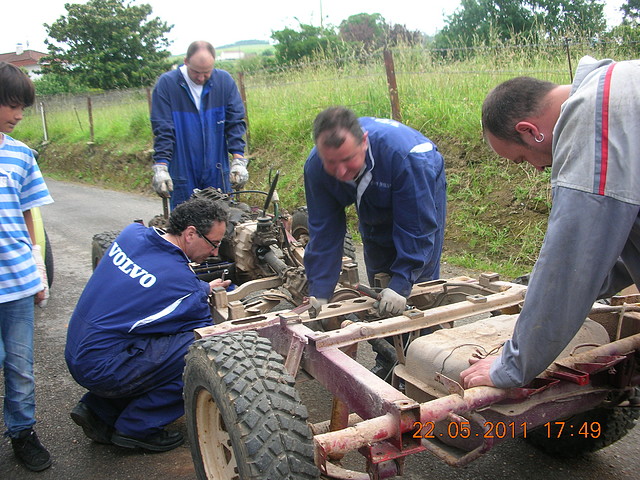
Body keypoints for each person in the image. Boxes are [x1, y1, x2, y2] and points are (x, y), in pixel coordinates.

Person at [460, 56, 640, 390]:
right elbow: (619, 246)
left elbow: (573, 260)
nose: (537, 168)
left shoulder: (595, 115)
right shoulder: (623, 86)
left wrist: (511, 366)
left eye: (522, 159)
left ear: (529, 131)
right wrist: (535, 288)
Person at [65, 197, 231, 452]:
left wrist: (200, 288)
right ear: (190, 234)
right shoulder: (181, 285)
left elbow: (156, 282)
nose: (215, 253)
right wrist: (202, 296)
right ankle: (137, 428)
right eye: (214, 243)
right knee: (203, 350)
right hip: (100, 367)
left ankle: (99, 411)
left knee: (149, 343)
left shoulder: (133, 234)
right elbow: (204, 328)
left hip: (79, 348)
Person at [303, 107, 446, 373]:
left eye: (347, 160)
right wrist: (320, 290)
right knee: (379, 272)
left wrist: (403, 283)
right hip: (377, 183)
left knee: (420, 288)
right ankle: (390, 356)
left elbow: (418, 227)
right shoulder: (317, 167)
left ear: (364, 141)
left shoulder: (407, 158)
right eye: (331, 163)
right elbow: (324, 230)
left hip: (413, 174)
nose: (340, 171)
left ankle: (427, 358)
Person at [0, 62, 53, 471]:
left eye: (23, 108)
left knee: (20, 366)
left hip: (15, 281)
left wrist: (37, 266)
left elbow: (29, 215)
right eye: (12, 105)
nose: (19, 115)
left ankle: (23, 432)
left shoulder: (20, 155)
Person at [150, 40, 248, 209]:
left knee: (223, 220)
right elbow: (163, 128)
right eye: (196, 72)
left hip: (216, 168)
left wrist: (238, 159)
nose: (201, 78)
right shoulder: (167, 85)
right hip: (182, 168)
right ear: (186, 61)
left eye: (207, 73)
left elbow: (235, 123)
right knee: (184, 224)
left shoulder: (224, 82)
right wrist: (161, 166)